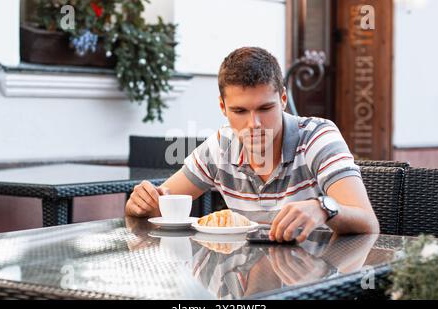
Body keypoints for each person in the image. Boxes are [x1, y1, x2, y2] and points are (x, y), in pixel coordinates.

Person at [125, 47, 380, 243]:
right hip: (246, 285)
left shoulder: (317, 137)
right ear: (223, 107)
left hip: (315, 281)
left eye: (265, 108)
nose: (254, 124)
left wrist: (323, 207)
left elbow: (368, 222)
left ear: (282, 98)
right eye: (239, 111)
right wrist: (139, 203)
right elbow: (161, 204)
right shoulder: (220, 146)